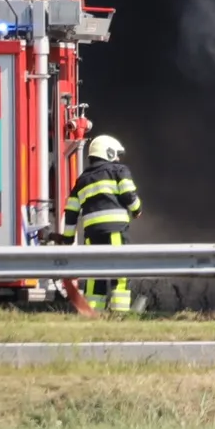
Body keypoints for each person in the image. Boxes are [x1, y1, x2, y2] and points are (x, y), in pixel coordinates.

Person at [65, 133, 141, 315]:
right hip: (115, 230)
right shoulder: (118, 170)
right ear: (108, 152)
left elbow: (71, 212)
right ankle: (119, 314)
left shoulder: (82, 180)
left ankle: (93, 314)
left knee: (94, 275)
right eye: (116, 154)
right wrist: (137, 209)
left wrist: (67, 238)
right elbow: (128, 194)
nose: (117, 159)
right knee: (120, 273)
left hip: (92, 235)